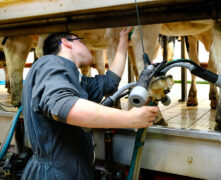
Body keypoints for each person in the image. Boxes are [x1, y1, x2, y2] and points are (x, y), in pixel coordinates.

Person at [21, 27, 159, 179]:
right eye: (82, 42)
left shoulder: (72, 77)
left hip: (67, 170)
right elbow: (63, 105)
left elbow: (109, 82)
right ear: (66, 42)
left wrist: (123, 44)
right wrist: (130, 119)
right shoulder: (50, 63)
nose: (87, 47)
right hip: (56, 173)